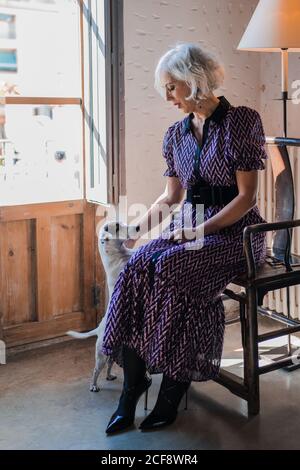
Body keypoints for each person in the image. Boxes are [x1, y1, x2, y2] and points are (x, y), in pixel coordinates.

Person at [102, 42, 268, 434]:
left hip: (236, 235)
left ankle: (170, 395)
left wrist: (201, 229)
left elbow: (247, 198)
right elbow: (172, 197)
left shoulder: (242, 121)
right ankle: (133, 386)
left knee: (174, 272)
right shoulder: (176, 134)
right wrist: (135, 233)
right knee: (139, 264)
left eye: (171, 87)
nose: (167, 97)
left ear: (194, 81)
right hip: (191, 229)